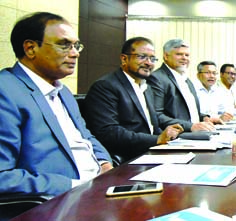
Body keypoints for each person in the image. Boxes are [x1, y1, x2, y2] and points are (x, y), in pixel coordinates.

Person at [0, 12, 112, 197]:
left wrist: (104, 163)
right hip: (57, 201)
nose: (75, 53)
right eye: (64, 45)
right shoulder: (6, 91)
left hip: (98, 191)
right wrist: (74, 185)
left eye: (76, 45)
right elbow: (3, 176)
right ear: (30, 48)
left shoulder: (63, 92)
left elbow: (85, 137)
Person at [82, 37, 184, 162]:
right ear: (124, 59)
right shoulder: (106, 86)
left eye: (152, 59)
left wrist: (169, 136)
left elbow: (152, 127)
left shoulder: (146, 87)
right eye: (142, 57)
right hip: (128, 158)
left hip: (151, 153)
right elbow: (108, 132)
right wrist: (156, 139)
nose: (149, 63)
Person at [147, 39, 214, 132]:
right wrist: (190, 126)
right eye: (179, 54)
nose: (184, 58)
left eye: (187, 55)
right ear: (166, 56)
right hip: (175, 137)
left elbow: (188, 112)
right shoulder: (157, 78)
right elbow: (156, 115)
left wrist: (204, 118)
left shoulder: (186, 80)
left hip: (194, 134)